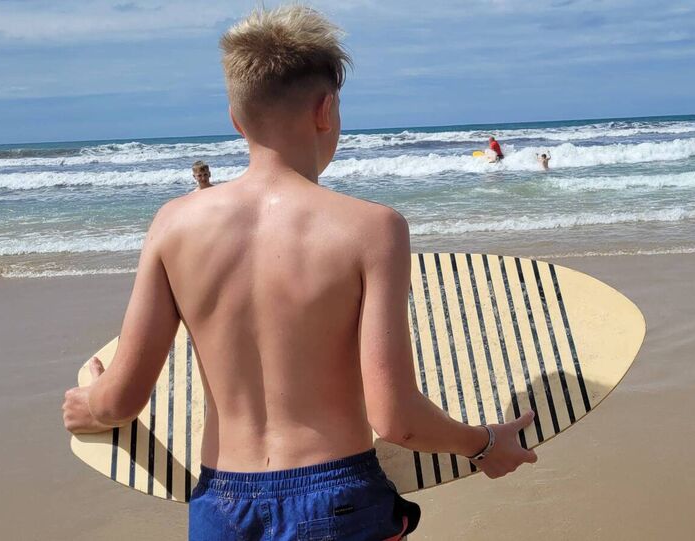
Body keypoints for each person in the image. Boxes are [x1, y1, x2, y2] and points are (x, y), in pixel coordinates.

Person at [60, 6, 536, 541]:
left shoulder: (173, 225)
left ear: (236, 119)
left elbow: (123, 398)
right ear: (326, 109)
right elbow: (397, 417)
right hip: (336, 502)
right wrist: (484, 445)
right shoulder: (371, 228)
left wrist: (90, 406)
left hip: (221, 504)